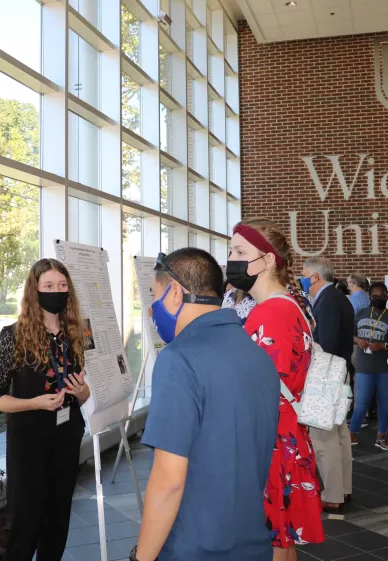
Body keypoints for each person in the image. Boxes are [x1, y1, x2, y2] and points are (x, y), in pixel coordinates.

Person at [131, 248, 280, 561]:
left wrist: (142, 557)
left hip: (195, 547)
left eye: (153, 296)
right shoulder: (257, 354)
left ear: (174, 293)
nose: (152, 308)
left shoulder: (179, 359)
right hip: (251, 542)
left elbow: (169, 481)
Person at [227, 219, 324, 559]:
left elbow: (261, 390)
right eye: (231, 250)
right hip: (280, 437)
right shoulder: (285, 306)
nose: (232, 259)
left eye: (241, 252)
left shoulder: (271, 314)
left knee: (273, 544)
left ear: (268, 260)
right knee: (279, 542)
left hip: (270, 441)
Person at [0, 259, 90, 561]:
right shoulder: (14, 335)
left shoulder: (75, 334)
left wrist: (82, 394)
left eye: (62, 285)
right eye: (48, 286)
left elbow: (79, 395)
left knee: (58, 521)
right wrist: (34, 403)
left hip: (66, 436)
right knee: (27, 524)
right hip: (28, 441)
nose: (56, 291)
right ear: (35, 290)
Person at [301, 257, 354, 513]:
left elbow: (328, 343)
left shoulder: (329, 301)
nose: (301, 279)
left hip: (328, 372)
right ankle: (343, 488)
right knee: (339, 433)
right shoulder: (336, 298)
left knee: (323, 438)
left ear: (314, 277)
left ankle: (333, 494)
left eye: (303, 274)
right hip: (339, 370)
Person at [350, 282, 388, 451]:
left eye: (382, 296)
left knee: (385, 404)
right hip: (364, 366)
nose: (378, 299)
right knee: (361, 403)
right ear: (369, 297)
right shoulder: (361, 313)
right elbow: (349, 334)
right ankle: (352, 433)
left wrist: (383, 345)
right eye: (374, 296)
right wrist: (358, 340)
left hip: (384, 367)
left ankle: (381, 436)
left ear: (387, 297)